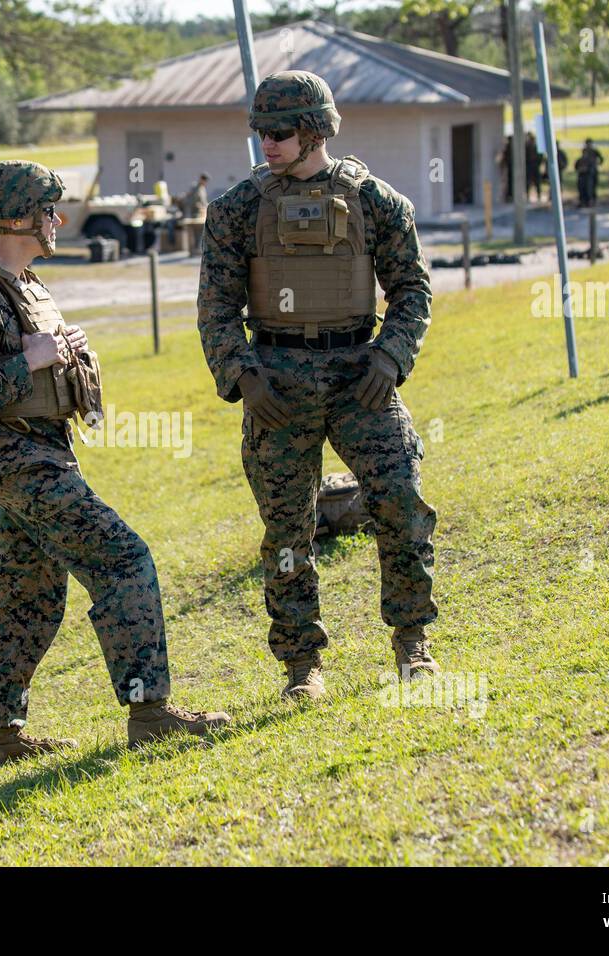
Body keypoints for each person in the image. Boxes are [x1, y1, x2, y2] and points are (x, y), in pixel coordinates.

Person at [0, 160, 231, 762]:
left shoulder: (26, 286)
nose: (57, 220)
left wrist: (67, 359)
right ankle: (150, 712)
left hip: (43, 449)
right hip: (16, 456)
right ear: (17, 215)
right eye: (47, 210)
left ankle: (0, 735)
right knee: (123, 559)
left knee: (30, 587)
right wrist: (34, 359)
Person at [197, 71, 441, 700]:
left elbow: (412, 288)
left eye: (279, 132)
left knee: (401, 501)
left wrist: (390, 356)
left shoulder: (375, 201)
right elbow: (216, 308)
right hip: (276, 385)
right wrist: (243, 376)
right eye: (260, 132)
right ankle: (303, 665)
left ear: (315, 132)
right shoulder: (236, 210)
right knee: (286, 532)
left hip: (361, 375)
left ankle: (412, 642)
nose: (267, 144)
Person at [575, 138, 604, 207]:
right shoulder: (583, 155)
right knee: (584, 188)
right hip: (584, 174)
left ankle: (592, 200)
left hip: (592, 171)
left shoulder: (595, 151)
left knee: (592, 187)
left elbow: (601, 159)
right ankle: (584, 201)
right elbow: (577, 166)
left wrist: (597, 163)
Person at [525, 131, 542, 202]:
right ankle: (527, 196)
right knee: (528, 182)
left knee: (537, 182)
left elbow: (540, 156)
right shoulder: (527, 146)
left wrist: (538, 163)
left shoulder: (536, 147)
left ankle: (538, 195)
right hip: (529, 165)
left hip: (535, 165)